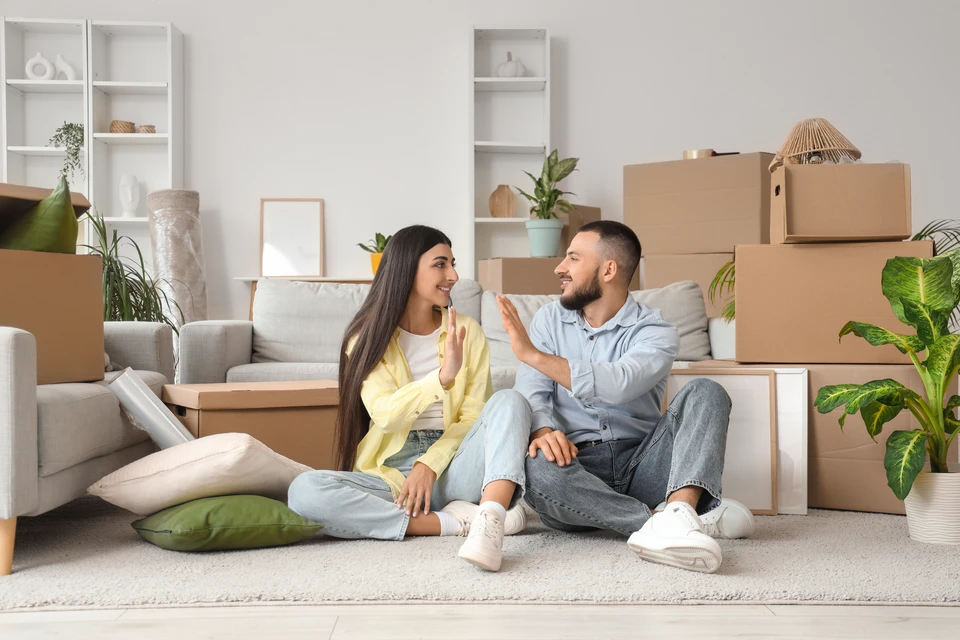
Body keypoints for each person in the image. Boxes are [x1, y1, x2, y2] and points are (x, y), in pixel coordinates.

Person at [491, 220, 754, 574]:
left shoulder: (656, 330)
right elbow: (531, 394)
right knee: (535, 468)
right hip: (576, 468)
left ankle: (676, 510)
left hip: (644, 463)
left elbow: (619, 384)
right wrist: (542, 432)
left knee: (707, 391)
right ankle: (669, 520)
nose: (560, 268)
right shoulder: (548, 320)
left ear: (608, 269)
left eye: (573, 258)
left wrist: (534, 355)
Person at [288, 225, 527, 572]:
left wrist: (428, 465)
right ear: (407, 269)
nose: (454, 275)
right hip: (390, 476)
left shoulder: (467, 332)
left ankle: (489, 522)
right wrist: (441, 379)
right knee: (304, 491)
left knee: (510, 400)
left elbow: (473, 417)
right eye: (441, 264)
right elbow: (386, 415)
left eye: (452, 264)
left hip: (455, 466)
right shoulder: (366, 339)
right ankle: (453, 524)